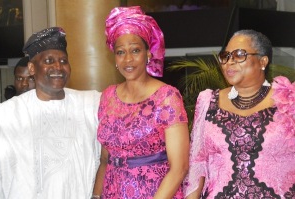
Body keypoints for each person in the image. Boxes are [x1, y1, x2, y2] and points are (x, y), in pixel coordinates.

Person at [184, 29, 295, 198]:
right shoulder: (208, 101)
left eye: (239, 55)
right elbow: (198, 162)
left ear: (263, 61)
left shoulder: (288, 101)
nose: (229, 62)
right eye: (225, 56)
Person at [92, 6, 190, 199]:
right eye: (120, 52)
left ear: (148, 53)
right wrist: (95, 196)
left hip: (155, 193)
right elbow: (105, 159)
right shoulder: (108, 96)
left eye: (135, 50)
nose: (128, 59)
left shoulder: (167, 97)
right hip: (112, 192)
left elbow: (180, 167)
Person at [0, 27, 101, 199]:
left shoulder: (91, 105)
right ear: (31, 68)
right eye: (49, 60)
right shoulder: (5, 116)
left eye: (63, 61)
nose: (58, 67)